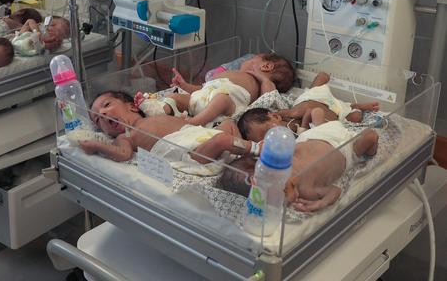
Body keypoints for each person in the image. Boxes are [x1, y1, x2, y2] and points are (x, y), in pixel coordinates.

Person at [236, 107, 379, 212]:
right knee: (370, 136)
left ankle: (320, 121)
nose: (284, 187)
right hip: (346, 149)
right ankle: (368, 150)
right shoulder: (306, 191)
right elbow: (335, 191)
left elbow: (258, 153)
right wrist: (320, 204)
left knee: (316, 111)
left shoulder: (276, 160)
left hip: (316, 135)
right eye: (284, 194)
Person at [79, 91, 263, 172]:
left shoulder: (152, 116)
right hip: (191, 154)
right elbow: (123, 154)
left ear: (132, 107)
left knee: (229, 124)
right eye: (97, 119)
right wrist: (97, 146)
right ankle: (258, 149)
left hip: (198, 135)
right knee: (222, 140)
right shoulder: (125, 136)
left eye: (107, 105)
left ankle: (239, 159)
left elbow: (176, 111)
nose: (102, 114)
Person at [136, 53, 295, 127]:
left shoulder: (259, 82)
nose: (245, 61)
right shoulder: (236, 74)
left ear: (266, 66)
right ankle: (159, 110)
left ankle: (193, 122)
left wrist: (263, 78)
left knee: (221, 98)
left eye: (251, 59)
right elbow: (202, 89)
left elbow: (268, 97)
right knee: (175, 97)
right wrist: (184, 86)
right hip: (204, 98)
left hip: (226, 106)